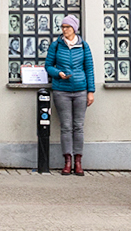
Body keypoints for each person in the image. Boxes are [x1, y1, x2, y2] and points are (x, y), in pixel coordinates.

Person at [42, 14, 96, 176]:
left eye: (67, 27)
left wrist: (91, 92)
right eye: (63, 27)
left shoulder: (83, 46)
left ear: (74, 29)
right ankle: (67, 161)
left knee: (78, 126)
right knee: (66, 127)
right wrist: (58, 73)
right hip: (61, 91)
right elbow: (48, 66)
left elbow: (89, 69)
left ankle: (78, 162)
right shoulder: (56, 45)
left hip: (80, 91)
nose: (64, 30)